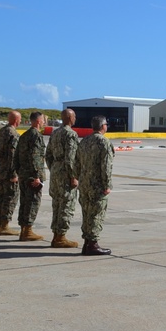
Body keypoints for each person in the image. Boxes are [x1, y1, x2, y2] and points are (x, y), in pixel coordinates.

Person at [74, 115, 113, 256]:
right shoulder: (104, 142)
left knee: (87, 213)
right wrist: (107, 184)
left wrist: (78, 178)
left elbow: (76, 163)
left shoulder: (84, 141)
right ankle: (93, 244)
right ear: (103, 126)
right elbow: (106, 166)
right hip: (97, 184)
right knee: (96, 213)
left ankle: (87, 243)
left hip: (84, 183)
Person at [46, 108, 80, 248]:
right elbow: (70, 158)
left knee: (57, 204)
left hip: (55, 170)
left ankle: (56, 235)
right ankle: (61, 237)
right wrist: (73, 176)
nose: (75, 118)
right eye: (74, 116)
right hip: (65, 173)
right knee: (66, 204)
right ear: (70, 118)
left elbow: (48, 154)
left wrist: (53, 168)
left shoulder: (55, 132)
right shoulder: (70, 134)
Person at [15, 111, 47, 242]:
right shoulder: (36, 136)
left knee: (24, 201)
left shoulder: (24, 135)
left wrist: (19, 171)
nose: (44, 123)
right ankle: (27, 230)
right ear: (38, 121)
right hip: (31, 176)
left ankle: (24, 229)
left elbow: (16, 156)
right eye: (43, 120)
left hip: (23, 173)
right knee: (32, 202)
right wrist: (36, 176)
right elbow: (35, 157)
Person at [0, 110, 21, 236]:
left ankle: (0, 224)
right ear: (16, 120)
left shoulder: (1, 132)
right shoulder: (12, 133)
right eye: (19, 119)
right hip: (8, 172)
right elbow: (12, 155)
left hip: (0, 170)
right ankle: (4, 225)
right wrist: (14, 173)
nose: (20, 122)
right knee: (10, 198)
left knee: (2, 197)